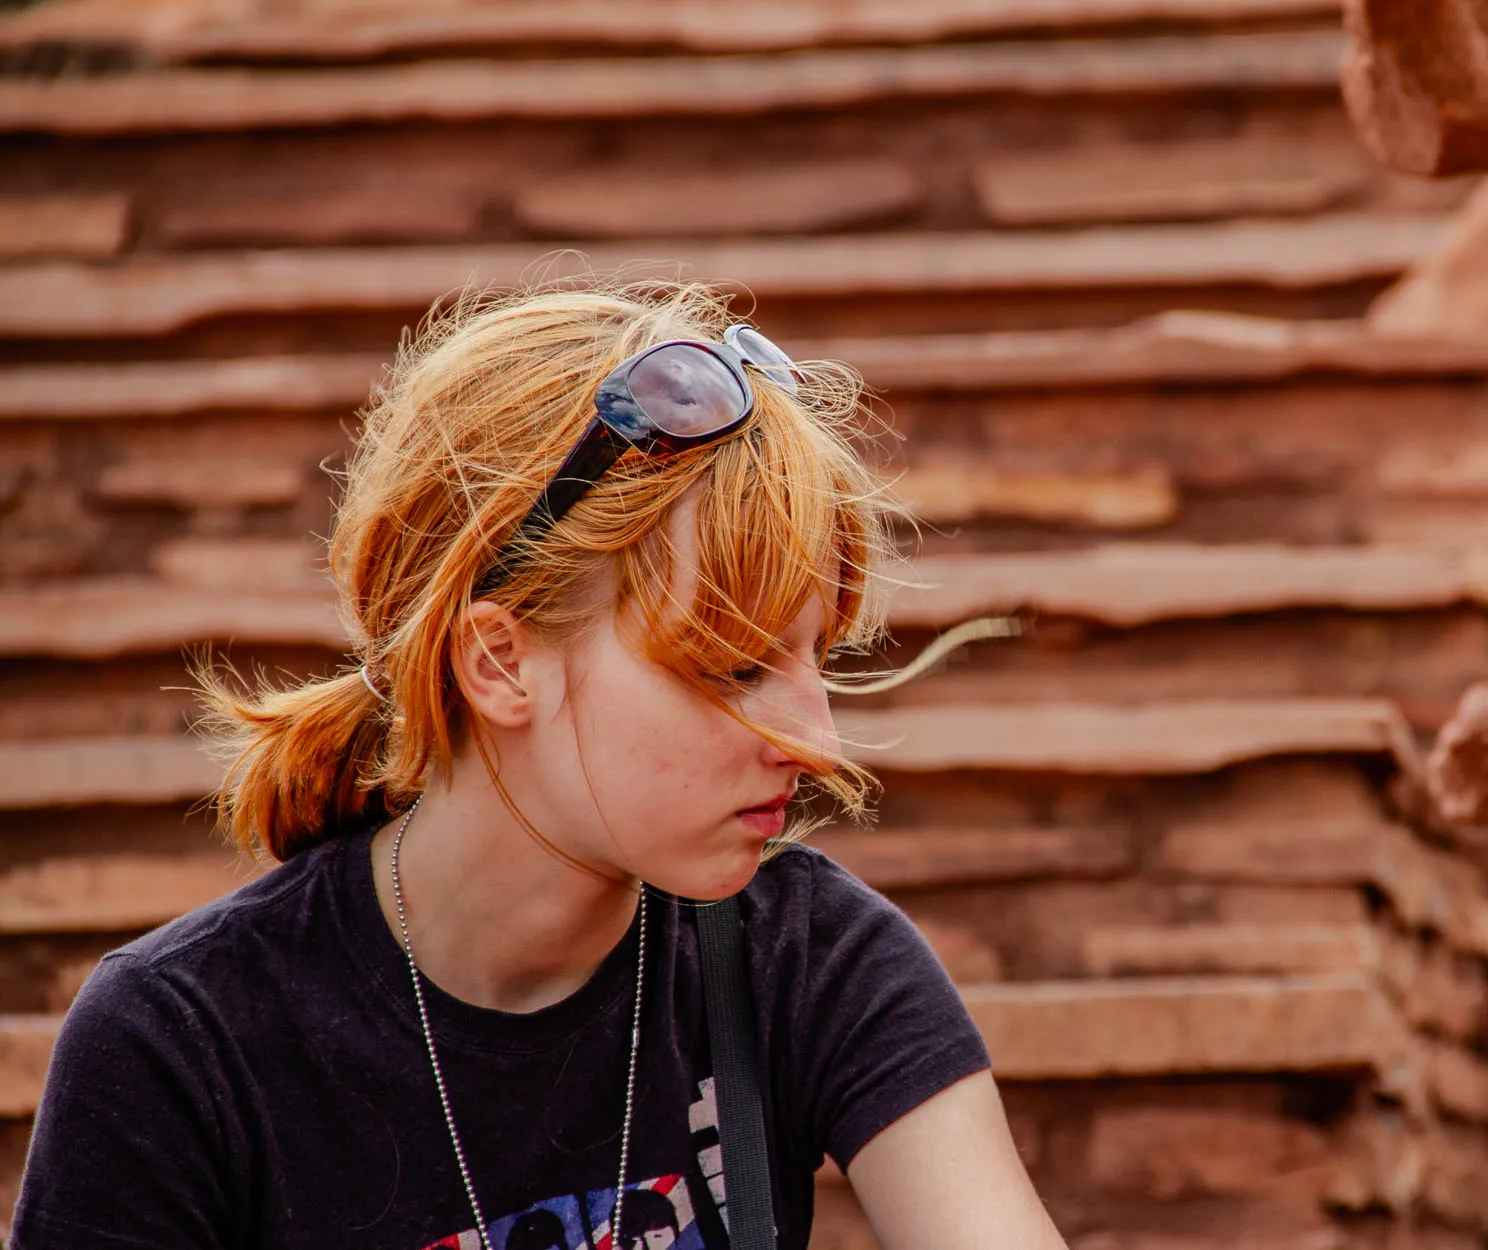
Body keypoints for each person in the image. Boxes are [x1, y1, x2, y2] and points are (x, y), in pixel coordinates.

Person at [11, 282, 1067, 1250]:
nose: (819, 743)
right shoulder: (180, 1043)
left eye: (815, 656)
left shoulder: (805, 955)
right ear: (499, 661)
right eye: (734, 663)